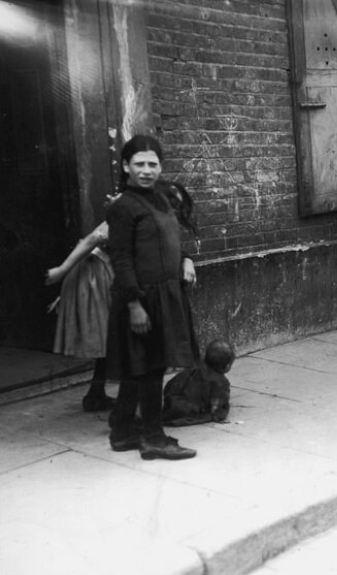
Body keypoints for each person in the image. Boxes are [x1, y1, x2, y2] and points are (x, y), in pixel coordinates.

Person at [106, 135, 200, 460]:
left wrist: (187, 259)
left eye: (152, 164)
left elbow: (169, 239)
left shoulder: (161, 200)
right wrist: (134, 304)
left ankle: (122, 431)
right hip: (141, 297)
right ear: (125, 166)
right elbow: (120, 258)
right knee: (149, 368)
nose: (146, 171)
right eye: (139, 164)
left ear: (160, 165)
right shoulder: (122, 207)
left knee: (140, 367)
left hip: (166, 294)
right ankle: (152, 437)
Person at [45, 219, 116, 412]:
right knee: (110, 335)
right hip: (96, 274)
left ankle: (96, 393)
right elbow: (94, 237)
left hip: (101, 272)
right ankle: (99, 395)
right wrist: (62, 270)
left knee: (109, 338)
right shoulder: (129, 204)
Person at [163, 339, 235, 426]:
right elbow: (216, 408)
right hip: (190, 408)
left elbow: (173, 384)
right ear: (227, 366)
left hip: (171, 398)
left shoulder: (196, 364)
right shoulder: (221, 382)